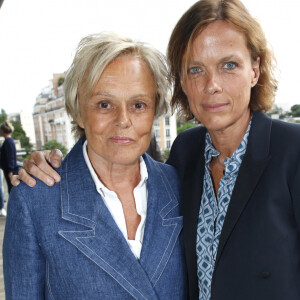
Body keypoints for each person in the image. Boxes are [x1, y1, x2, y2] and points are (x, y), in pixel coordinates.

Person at [13, 0, 300, 299]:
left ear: (254, 70)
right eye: (196, 69)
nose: (212, 84)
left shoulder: (293, 151)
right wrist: (47, 162)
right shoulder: (186, 156)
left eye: (229, 65)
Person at [3, 32, 187, 299]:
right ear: (78, 111)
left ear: (155, 110)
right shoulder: (34, 201)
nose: (123, 120)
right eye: (104, 104)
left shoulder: (180, 185)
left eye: (138, 104)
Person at [0, 121, 18, 195]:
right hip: (10, 170)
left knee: (11, 190)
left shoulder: (8, 141)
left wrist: (10, 171)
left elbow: (10, 157)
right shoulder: (9, 141)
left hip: (10, 171)